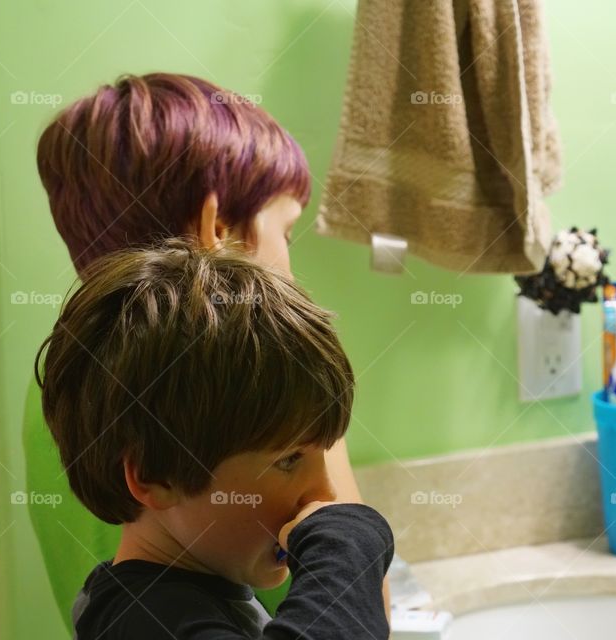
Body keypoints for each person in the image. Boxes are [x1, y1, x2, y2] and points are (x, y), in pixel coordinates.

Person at [24, 72, 386, 631]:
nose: (291, 269)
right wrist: (350, 538)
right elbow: (368, 610)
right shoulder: (260, 392)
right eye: (285, 235)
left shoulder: (62, 377)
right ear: (218, 230)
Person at [36, 239, 394, 638]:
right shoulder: (147, 622)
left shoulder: (200, 591)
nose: (324, 494)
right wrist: (349, 547)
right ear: (158, 476)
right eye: (289, 459)